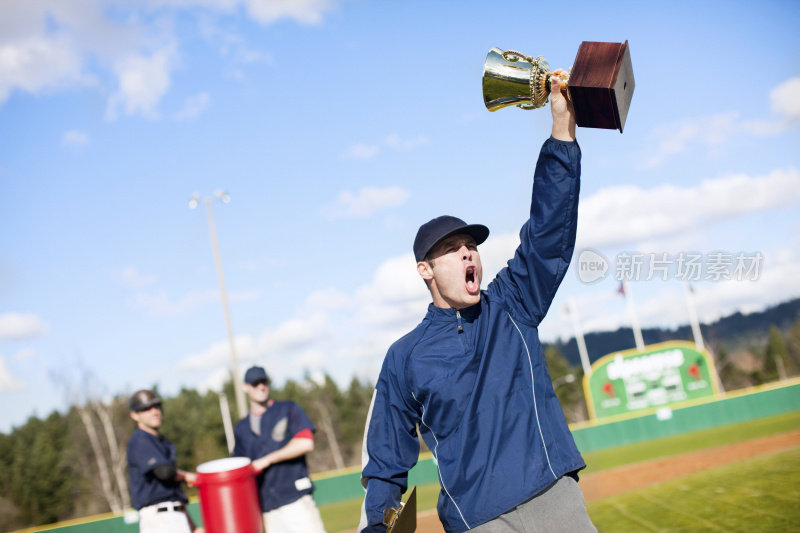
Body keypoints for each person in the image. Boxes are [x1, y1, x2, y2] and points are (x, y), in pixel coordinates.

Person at [359, 72, 596, 532]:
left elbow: (548, 234)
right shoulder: (404, 357)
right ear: (425, 270)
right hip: (477, 521)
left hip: (553, 499)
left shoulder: (513, 305)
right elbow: (386, 459)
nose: (467, 251)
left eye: (471, 244)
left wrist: (562, 132)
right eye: (451, 248)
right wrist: (376, 527)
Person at [233, 365, 326, 533]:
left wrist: (267, 459)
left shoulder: (288, 409)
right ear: (245, 387)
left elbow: (305, 443)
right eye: (255, 383)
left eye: (264, 382)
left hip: (295, 500)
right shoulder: (241, 428)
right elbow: (238, 468)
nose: (261, 387)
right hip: (265, 509)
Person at [127, 389, 203, 533]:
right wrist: (187, 476)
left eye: (156, 406)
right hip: (159, 519)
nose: (154, 411)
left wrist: (194, 528)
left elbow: (172, 491)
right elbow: (164, 472)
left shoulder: (162, 442)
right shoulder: (140, 440)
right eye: (146, 409)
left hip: (176, 514)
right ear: (134, 415)